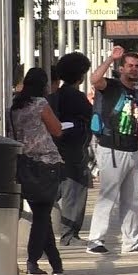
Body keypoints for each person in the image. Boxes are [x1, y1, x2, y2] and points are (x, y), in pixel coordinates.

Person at [86, 47, 138, 255]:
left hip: (133, 151)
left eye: (137, 66)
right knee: (108, 196)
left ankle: (131, 242)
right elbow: (94, 80)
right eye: (130, 66)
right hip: (111, 149)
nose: (134, 70)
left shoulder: (136, 93)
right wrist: (110, 59)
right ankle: (95, 240)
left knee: (133, 199)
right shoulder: (111, 87)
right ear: (121, 69)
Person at [10, 68, 65, 275]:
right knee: (43, 215)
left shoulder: (14, 107)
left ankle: (56, 263)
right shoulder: (40, 105)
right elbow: (57, 129)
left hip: (23, 165)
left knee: (42, 214)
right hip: (45, 164)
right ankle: (32, 261)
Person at [47, 53, 93, 247]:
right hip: (73, 150)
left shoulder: (54, 96)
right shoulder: (77, 97)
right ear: (81, 76)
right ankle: (69, 234)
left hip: (55, 148)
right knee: (74, 191)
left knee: (55, 190)